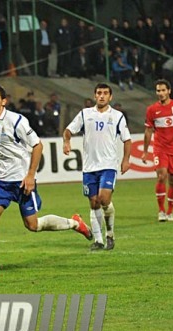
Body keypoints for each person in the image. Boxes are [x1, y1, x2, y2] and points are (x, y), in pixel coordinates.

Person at [0, 85, 93, 280]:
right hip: (1, 181)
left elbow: (37, 145)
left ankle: (74, 223)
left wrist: (30, 176)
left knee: (33, 225)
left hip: (22, 180)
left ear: (3, 101)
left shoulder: (16, 121)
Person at [63, 83, 132, 251]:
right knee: (94, 203)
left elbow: (127, 139)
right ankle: (99, 240)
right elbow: (68, 130)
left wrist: (126, 160)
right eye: (99, 93)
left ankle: (110, 234)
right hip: (89, 167)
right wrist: (66, 141)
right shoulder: (85, 114)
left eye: (105, 93)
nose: (102, 96)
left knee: (104, 199)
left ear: (110, 97)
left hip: (108, 165)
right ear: (95, 96)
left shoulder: (117, 116)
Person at [142, 79, 173, 222]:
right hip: (160, 148)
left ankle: (170, 212)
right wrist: (145, 151)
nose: (161, 93)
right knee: (161, 176)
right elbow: (148, 131)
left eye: (163, 90)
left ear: (169, 91)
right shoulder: (152, 109)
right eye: (158, 90)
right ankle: (161, 211)